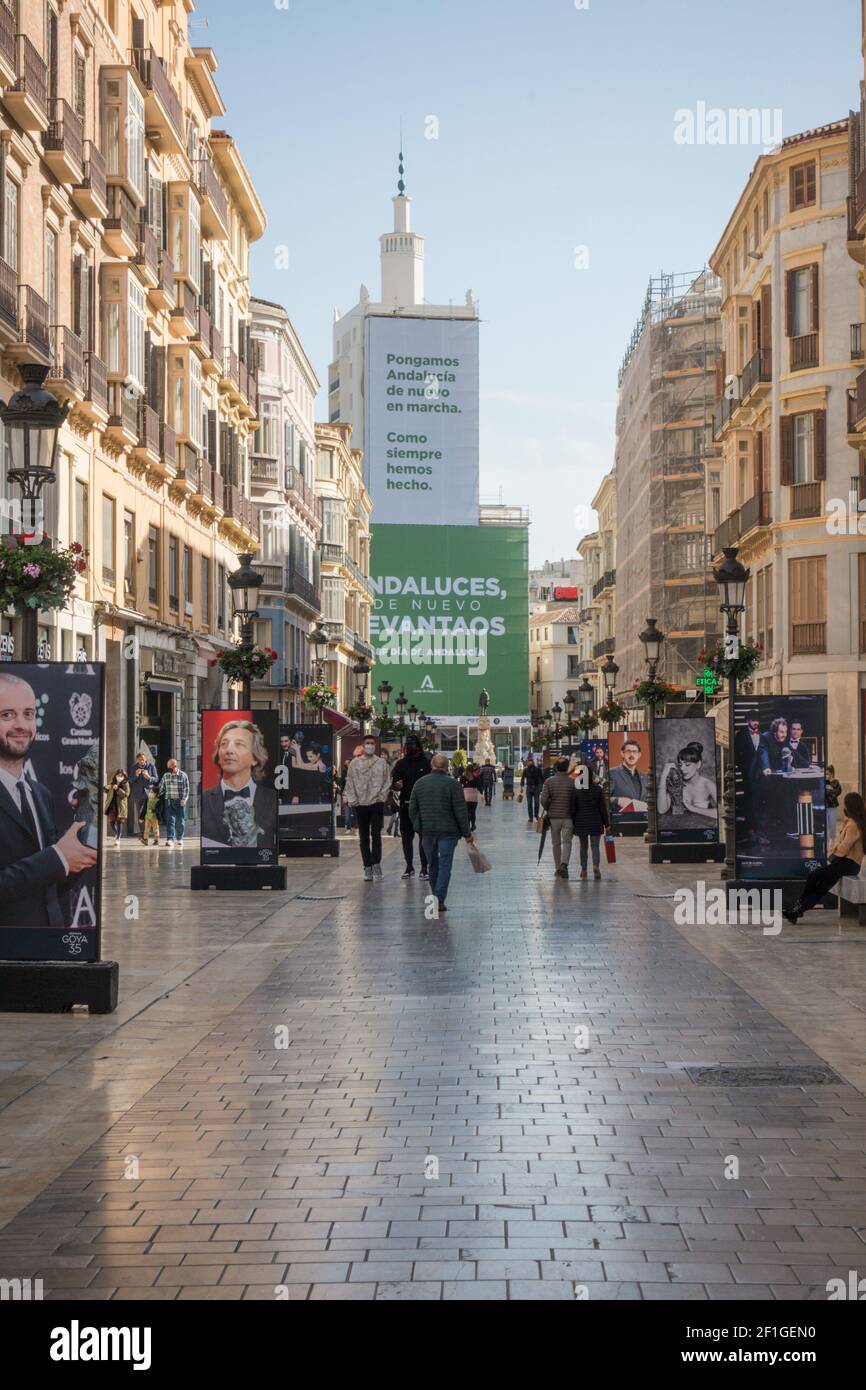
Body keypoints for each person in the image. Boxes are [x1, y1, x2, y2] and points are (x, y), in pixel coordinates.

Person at [0, 671, 97, 928]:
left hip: (47, 948)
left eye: (28, 714)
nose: (21, 724)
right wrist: (57, 856)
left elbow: (48, 886)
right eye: (7, 715)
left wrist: (82, 849)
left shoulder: (39, 794)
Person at [784, 791, 866, 923]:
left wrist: (833, 856)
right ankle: (797, 911)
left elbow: (845, 846)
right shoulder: (853, 822)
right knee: (822, 887)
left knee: (814, 876)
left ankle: (798, 907)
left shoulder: (854, 825)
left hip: (847, 864)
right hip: (846, 864)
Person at [408, 752, 473, 914]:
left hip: (427, 832)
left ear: (432, 766)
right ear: (446, 767)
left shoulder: (420, 783)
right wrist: (467, 834)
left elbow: (412, 808)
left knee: (433, 865)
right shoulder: (454, 785)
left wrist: (418, 826)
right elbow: (460, 811)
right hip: (448, 833)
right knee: (445, 865)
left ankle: (436, 896)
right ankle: (439, 899)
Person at [201, 720, 278, 850]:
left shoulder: (272, 799)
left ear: (255, 758)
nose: (229, 750)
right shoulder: (204, 799)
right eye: (224, 744)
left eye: (239, 744)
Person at [344, 737, 391, 880]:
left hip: (376, 804)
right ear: (363, 746)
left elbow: (387, 781)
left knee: (376, 835)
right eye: (367, 744)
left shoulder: (382, 763)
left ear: (375, 746)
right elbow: (350, 782)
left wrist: (381, 798)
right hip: (360, 805)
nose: (369, 746)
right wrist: (354, 800)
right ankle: (367, 867)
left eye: (372, 743)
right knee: (363, 837)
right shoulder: (355, 763)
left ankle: (376, 863)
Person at [390, 735, 431, 880]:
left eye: (412, 744)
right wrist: (396, 785)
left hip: (423, 806)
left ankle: (425, 868)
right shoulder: (401, 764)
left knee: (423, 837)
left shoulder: (427, 763)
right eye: (408, 744)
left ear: (418, 745)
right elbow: (394, 782)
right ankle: (409, 866)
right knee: (406, 837)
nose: (409, 747)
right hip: (405, 804)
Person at [656, 742, 717, 821]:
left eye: (687, 765)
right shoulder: (676, 783)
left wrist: (693, 808)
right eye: (680, 765)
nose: (682, 768)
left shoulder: (708, 785)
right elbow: (661, 810)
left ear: (698, 764)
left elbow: (721, 813)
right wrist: (663, 775)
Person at [540, 757, 577, 879]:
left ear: (556, 767)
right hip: (568, 818)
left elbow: (543, 800)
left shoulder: (549, 781)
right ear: (567, 768)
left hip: (553, 817)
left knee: (556, 843)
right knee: (567, 842)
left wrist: (549, 808)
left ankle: (557, 868)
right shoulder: (572, 782)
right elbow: (576, 800)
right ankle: (564, 864)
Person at [572, 763, 610, 880]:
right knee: (595, 847)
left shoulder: (576, 790)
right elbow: (603, 809)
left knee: (583, 847)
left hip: (581, 822)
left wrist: (573, 823)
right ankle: (595, 866)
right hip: (595, 822)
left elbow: (573, 809)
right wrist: (607, 824)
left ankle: (584, 870)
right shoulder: (598, 790)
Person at [735, 709, 765, 846]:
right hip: (748, 775)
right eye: (753, 720)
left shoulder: (763, 735)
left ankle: (760, 832)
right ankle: (751, 831)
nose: (755, 723)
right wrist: (743, 768)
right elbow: (736, 755)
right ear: (747, 721)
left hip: (762, 776)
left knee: (761, 803)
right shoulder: (740, 735)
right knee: (749, 803)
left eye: (757, 720)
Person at [158, 757, 190, 847]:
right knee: (170, 821)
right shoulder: (166, 775)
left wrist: (184, 799)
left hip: (180, 801)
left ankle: (179, 838)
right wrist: (155, 792)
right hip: (169, 801)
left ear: (173, 765)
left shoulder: (183, 775)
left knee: (180, 821)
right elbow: (161, 787)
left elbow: (186, 789)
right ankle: (170, 839)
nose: (167, 768)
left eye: (169, 766)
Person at [609, 738, 647, 811]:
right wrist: (618, 800)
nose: (631, 754)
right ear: (622, 754)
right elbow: (603, 798)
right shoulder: (612, 773)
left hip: (642, 820)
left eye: (634, 752)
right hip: (621, 820)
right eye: (628, 751)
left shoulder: (645, 777)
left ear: (639, 755)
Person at [130, 749, 157, 842]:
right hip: (138, 794)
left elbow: (156, 778)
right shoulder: (134, 767)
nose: (142, 761)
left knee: (151, 814)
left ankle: (153, 834)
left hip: (149, 794)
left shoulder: (151, 766)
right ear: (137, 760)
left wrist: (149, 777)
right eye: (140, 759)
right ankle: (143, 834)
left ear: (146, 759)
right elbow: (131, 780)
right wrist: (136, 775)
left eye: (143, 759)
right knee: (140, 814)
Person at [103, 769, 130, 845]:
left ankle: (118, 838)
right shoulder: (112, 782)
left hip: (120, 805)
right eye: (118, 775)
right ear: (115, 775)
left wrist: (118, 789)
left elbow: (127, 794)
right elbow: (106, 791)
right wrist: (106, 788)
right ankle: (117, 833)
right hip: (112, 805)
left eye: (121, 776)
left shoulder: (125, 783)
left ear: (124, 776)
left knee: (119, 822)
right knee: (111, 822)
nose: (119, 777)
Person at [520, 755, 544, 823]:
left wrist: (543, 786)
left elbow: (542, 778)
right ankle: (530, 817)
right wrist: (521, 787)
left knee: (537, 802)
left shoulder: (538, 769)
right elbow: (522, 779)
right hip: (529, 788)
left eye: (531, 761)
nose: (530, 762)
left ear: (533, 762)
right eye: (529, 761)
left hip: (536, 787)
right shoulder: (526, 770)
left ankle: (536, 815)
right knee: (529, 803)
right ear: (527, 762)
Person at [462, 766, 481, 831]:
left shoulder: (463, 777)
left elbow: (460, 785)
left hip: (466, 796)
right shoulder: (476, 777)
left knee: (467, 812)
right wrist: (482, 793)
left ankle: (468, 825)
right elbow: (479, 786)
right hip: (474, 796)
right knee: (473, 812)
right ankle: (473, 826)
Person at [142, 781, 161, 847]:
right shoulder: (147, 799)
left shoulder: (158, 800)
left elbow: (159, 809)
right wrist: (141, 817)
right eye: (150, 792)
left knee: (155, 828)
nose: (150, 793)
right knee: (146, 828)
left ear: (156, 793)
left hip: (154, 817)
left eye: (152, 792)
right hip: (147, 817)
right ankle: (145, 839)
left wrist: (154, 810)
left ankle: (156, 840)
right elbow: (144, 808)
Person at [826, 765, 842, 842]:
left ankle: (832, 839)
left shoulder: (836, 782)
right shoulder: (824, 782)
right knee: (826, 824)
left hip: (833, 806)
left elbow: (838, 792)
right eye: (825, 774)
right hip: (825, 806)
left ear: (832, 774)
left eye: (828, 774)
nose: (826, 775)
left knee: (832, 823)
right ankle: (827, 839)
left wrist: (830, 789)